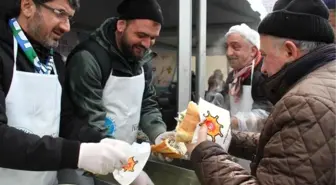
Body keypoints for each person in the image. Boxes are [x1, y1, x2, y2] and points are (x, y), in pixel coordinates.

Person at [188, 0, 336, 184]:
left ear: (290, 51)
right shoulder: (326, 78)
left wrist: (205, 153)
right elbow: (285, 144)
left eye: (264, 56)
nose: (263, 68)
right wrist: (226, 135)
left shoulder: (306, 102)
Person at [0, 0, 130, 184]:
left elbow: (66, 120)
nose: (66, 26)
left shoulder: (55, 63)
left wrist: (100, 141)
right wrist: (77, 154)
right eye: (59, 13)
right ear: (28, 6)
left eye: (69, 18)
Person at [64, 0, 172, 184]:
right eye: (141, 35)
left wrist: (160, 135)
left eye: (153, 38)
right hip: (87, 159)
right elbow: (91, 120)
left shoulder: (142, 60)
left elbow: (147, 105)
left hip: (123, 159)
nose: (147, 44)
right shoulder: (89, 59)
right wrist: (126, 163)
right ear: (121, 25)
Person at [221, 23, 271, 133]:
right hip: (234, 137)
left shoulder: (264, 73)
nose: (228, 53)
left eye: (235, 47)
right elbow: (225, 105)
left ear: (253, 51)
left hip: (256, 142)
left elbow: (266, 114)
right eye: (227, 47)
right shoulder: (232, 76)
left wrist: (235, 122)